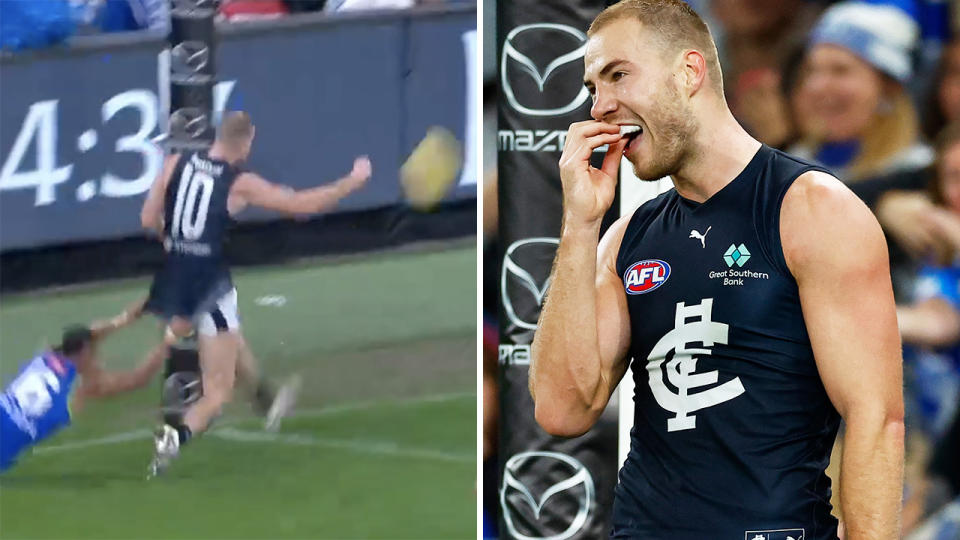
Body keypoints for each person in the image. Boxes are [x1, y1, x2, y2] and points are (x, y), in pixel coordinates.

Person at [530, 1, 904, 538]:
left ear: (689, 72)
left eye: (617, 76)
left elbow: (876, 420)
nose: (601, 107)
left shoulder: (813, 210)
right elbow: (562, 410)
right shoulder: (624, 239)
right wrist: (579, 226)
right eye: (593, 89)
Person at [140, 111, 371, 476]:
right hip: (208, 289)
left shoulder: (175, 163)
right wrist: (353, 182)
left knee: (232, 339)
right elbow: (301, 206)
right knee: (218, 392)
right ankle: (175, 436)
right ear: (246, 143)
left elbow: (147, 218)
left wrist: (173, 239)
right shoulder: (239, 183)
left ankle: (268, 397)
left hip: (174, 278)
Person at [0, 301, 172, 472]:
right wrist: (170, 339)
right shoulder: (81, 388)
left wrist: (126, 318)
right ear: (84, 351)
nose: (96, 356)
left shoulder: (46, 356)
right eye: (93, 351)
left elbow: (90, 335)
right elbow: (139, 379)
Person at [788, 1, 932, 183]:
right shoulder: (791, 166)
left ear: (890, 86)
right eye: (812, 70)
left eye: (840, 70)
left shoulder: (923, 175)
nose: (816, 86)